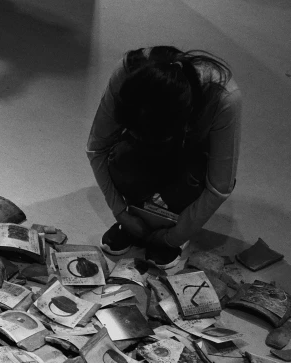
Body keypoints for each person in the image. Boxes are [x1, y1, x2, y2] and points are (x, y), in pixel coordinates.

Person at [87, 45, 241, 269]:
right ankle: (140, 216)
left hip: (191, 156)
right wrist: (121, 213)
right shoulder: (129, 73)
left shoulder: (223, 98)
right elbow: (97, 148)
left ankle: (169, 221)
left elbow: (219, 187)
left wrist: (172, 237)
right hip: (156, 142)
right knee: (123, 158)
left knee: (186, 181)